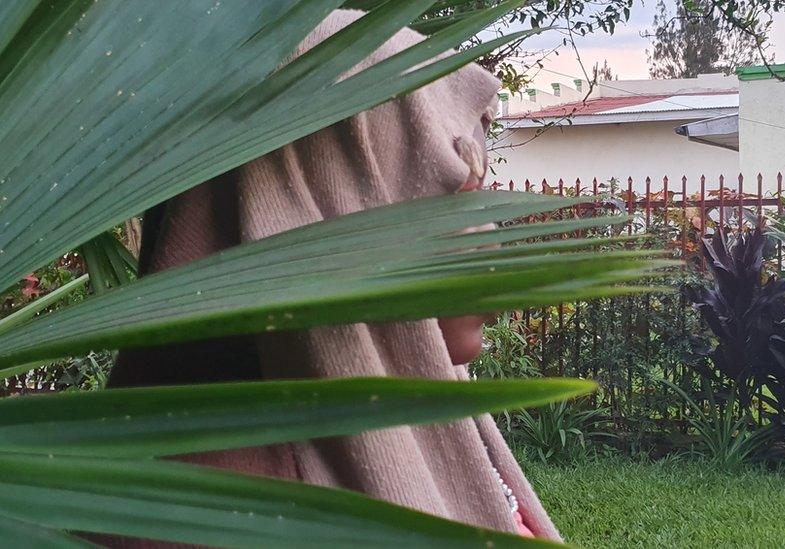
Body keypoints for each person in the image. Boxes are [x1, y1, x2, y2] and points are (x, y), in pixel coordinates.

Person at [102, 9, 561, 544]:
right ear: (332, 209)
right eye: (454, 199)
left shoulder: (415, 411)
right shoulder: (223, 515)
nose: (492, 242)